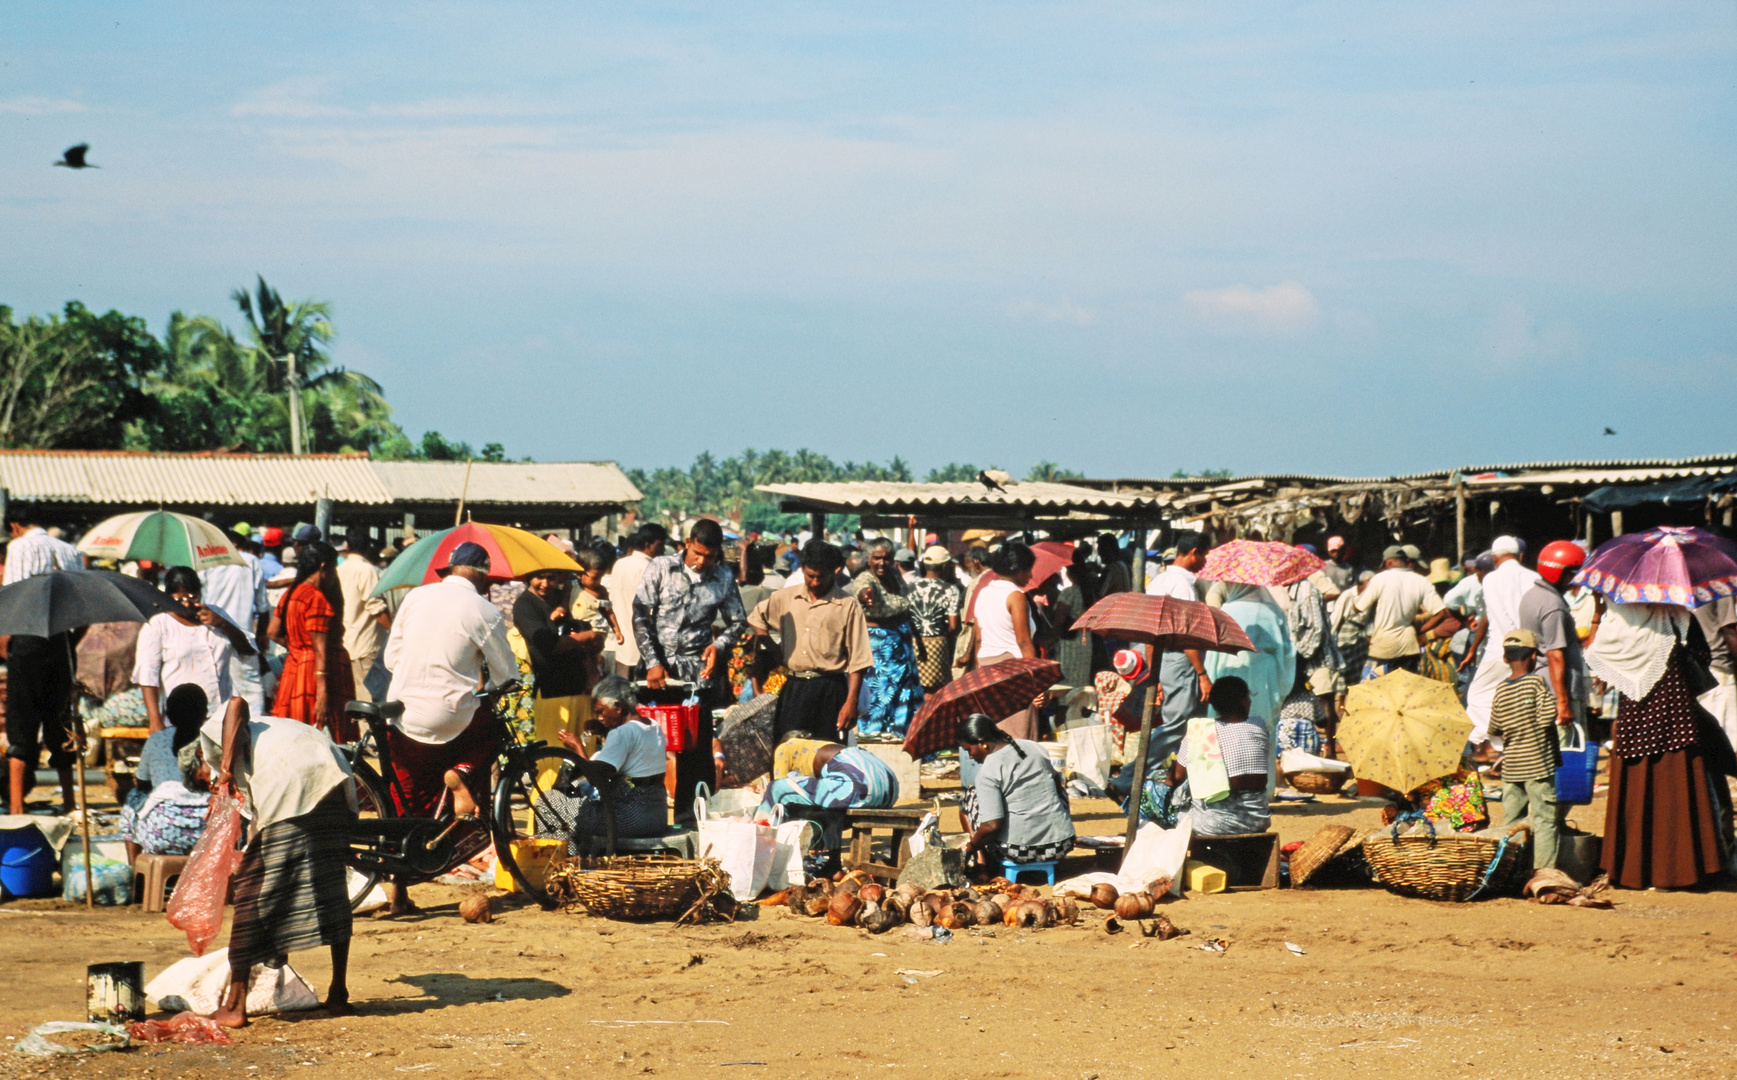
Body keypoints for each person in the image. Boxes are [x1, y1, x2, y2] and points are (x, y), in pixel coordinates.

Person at [206, 697, 357, 1028]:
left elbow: (235, 704)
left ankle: (234, 1005)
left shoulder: (219, 734)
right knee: (332, 890)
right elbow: (262, 816)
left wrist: (226, 770)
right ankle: (339, 994)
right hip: (334, 785)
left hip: (298, 785)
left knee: (251, 897)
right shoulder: (273, 732)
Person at [1587, 600, 1728, 889]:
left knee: (1637, 790)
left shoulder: (1615, 622)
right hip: (1676, 715)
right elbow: (1702, 655)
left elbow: (1598, 658)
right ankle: (1681, 871)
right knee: (1677, 789)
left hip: (1635, 721)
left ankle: (1632, 871)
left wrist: (1597, 615)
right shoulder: (1676, 616)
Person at [631, 519, 746, 821]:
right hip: (655, 674)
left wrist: (718, 646)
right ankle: (643, 817)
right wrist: (654, 662)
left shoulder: (722, 577)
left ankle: (689, 821)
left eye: (709, 556)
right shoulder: (661, 567)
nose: (702, 561)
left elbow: (738, 621)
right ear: (686, 543)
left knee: (695, 755)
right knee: (650, 748)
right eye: (697, 553)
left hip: (696, 678)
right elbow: (640, 614)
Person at [749, 539, 872, 740]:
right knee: (788, 753)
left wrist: (851, 702)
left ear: (835, 571)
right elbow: (756, 618)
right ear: (802, 570)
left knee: (828, 755)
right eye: (810, 576)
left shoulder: (848, 605)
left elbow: (859, 660)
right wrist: (773, 648)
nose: (815, 582)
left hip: (830, 689)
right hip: (794, 688)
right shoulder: (785, 597)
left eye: (821, 577)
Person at [3, 513, 81, 814]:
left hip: (29, 638)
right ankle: (71, 802)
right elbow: (81, 612)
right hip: (62, 641)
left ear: (15, 526)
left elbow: (11, 598)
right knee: (60, 723)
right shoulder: (69, 550)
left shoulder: (19, 548)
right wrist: (71, 644)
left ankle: (17, 808)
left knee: (22, 724)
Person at [544, 677, 669, 841]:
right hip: (657, 815)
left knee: (548, 802)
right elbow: (633, 750)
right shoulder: (652, 725)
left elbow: (596, 778)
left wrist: (577, 748)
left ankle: (568, 857)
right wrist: (604, 731)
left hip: (630, 817)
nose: (600, 718)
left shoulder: (621, 734)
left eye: (601, 711)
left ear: (618, 706)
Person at [135, 566, 254, 730]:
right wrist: (155, 720)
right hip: (182, 719)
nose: (186, 604)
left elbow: (247, 650)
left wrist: (223, 624)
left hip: (222, 714)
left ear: (200, 593)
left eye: (192, 597)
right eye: (178, 599)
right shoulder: (158, 624)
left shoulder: (215, 614)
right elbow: (148, 676)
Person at [1202, 583, 1295, 793]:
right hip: (1265, 675)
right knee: (1260, 730)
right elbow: (1287, 650)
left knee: (1226, 729)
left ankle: (1222, 788)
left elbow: (1214, 652)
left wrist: (1210, 677)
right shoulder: (1273, 611)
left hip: (1229, 671)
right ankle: (1261, 790)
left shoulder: (1226, 611)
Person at [1487, 629, 1564, 872]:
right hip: (1538, 765)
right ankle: (1543, 873)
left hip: (1511, 768)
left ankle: (1510, 873)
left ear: (1505, 658)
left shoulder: (1501, 689)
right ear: (1533, 656)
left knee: (1511, 823)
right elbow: (1545, 719)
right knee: (1544, 821)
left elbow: (1495, 726)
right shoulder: (1537, 683)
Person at [958, 713, 1075, 869]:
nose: (970, 757)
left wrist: (972, 846)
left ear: (982, 742)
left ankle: (981, 862)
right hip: (1061, 844)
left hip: (1020, 851)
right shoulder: (1034, 747)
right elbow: (1056, 784)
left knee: (968, 796)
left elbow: (992, 826)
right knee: (1057, 791)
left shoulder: (988, 771)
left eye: (969, 750)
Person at [269, 542, 358, 744]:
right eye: (334, 569)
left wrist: (298, 649)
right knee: (323, 738)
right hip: (320, 675)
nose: (335, 576)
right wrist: (323, 693)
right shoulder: (316, 598)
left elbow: (272, 632)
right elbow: (320, 650)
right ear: (324, 567)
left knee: (295, 734)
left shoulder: (292, 593)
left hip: (295, 669)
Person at [1464, 536, 1545, 754]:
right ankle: (1509, 742)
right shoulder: (1534, 576)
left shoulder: (1491, 579)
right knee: (1522, 698)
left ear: (1494, 557)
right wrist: (1527, 644)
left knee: (1478, 696)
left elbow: (1498, 615)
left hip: (1501, 648)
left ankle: (1497, 741)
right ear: (1520, 556)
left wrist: (1512, 644)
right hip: (1531, 646)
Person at [514, 566, 605, 754]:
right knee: (554, 754)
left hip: (581, 688)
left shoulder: (566, 597)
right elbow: (547, 645)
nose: (545, 584)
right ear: (529, 576)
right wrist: (586, 637)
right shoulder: (525, 606)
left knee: (584, 754)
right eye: (540, 577)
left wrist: (594, 640)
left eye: (551, 578)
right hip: (552, 693)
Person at [120, 683, 213, 862]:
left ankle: (136, 873)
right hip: (207, 835)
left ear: (168, 715)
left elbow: (142, 783)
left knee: (133, 797)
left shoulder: (157, 739)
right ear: (205, 713)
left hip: (162, 835)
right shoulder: (213, 740)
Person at [1143, 530, 1211, 765]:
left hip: (1166, 657)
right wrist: (1201, 673)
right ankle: (1131, 775)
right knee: (1177, 724)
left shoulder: (1158, 581)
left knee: (1194, 724)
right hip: (1182, 659)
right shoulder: (1183, 585)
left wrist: (1154, 672)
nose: (1205, 562)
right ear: (1194, 554)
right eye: (1204, 556)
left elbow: (1149, 632)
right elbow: (1186, 634)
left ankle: (1188, 781)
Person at [1170, 677, 1271, 836]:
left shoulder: (1199, 731)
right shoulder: (1258, 725)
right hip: (1257, 820)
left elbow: (1178, 775)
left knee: (1155, 796)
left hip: (1213, 824)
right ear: (1244, 702)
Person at [851, 539, 924, 739]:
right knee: (880, 694)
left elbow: (905, 605)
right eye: (877, 558)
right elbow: (863, 590)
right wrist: (866, 596)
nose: (882, 563)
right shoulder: (865, 579)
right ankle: (873, 735)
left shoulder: (893, 576)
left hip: (901, 645)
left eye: (886, 558)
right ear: (868, 559)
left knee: (903, 693)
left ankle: (899, 734)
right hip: (879, 648)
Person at [966, 542, 1040, 742]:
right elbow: (1024, 641)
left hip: (987, 668)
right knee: (1019, 737)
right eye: (1028, 570)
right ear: (1017, 570)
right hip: (1014, 671)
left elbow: (979, 639)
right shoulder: (1015, 596)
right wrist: (1036, 682)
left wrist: (979, 671)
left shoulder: (983, 593)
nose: (1030, 576)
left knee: (994, 735)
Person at [200, 529, 272, 716]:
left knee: (218, 694)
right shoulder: (250, 561)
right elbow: (263, 607)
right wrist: (262, 636)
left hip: (212, 638)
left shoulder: (205, 563)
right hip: (243, 640)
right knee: (251, 698)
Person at [1354, 545, 1450, 680]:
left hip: (1384, 647)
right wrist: (1421, 630)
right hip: (1409, 646)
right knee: (1406, 691)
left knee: (1375, 689)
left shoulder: (1379, 579)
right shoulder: (1421, 581)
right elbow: (1442, 613)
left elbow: (1358, 608)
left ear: (1389, 562)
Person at [760, 731, 897, 813]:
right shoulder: (822, 746)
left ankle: (764, 833)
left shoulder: (785, 747)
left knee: (776, 789)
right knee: (817, 794)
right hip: (890, 791)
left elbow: (778, 782)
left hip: (857, 787)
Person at [603, 525, 667, 677]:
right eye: (660, 545)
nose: (663, 549)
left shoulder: (620, 564)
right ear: (648, 545)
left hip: (622, 642)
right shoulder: (651, 568)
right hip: (644, 646)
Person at [335, 535, 391, 704]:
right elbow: (375, 606)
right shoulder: (367, 570)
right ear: (368, 549)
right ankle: (368, 731)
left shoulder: (339, 569)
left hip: (345, 642)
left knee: (352, 698)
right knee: (368, 700)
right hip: (365, 644)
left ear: (348, 548)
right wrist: (395, 631)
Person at [906, 545, 966, 693]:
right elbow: (954, 626)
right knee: (935, 692)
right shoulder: (950, 590)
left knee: (914, 689)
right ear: (945, 566)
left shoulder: (909, 587)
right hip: (937, 646)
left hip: (912, 643)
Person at [572, 548, 625, 646]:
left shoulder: (601, 591)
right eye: (595, 578)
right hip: (575, 632)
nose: (598, 581)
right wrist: (560, 610)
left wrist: (617, 631)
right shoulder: (571, 587)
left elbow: (608, 612)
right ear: (579, 574)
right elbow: (564, 603)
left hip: (596, 634)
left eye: (601, 577)